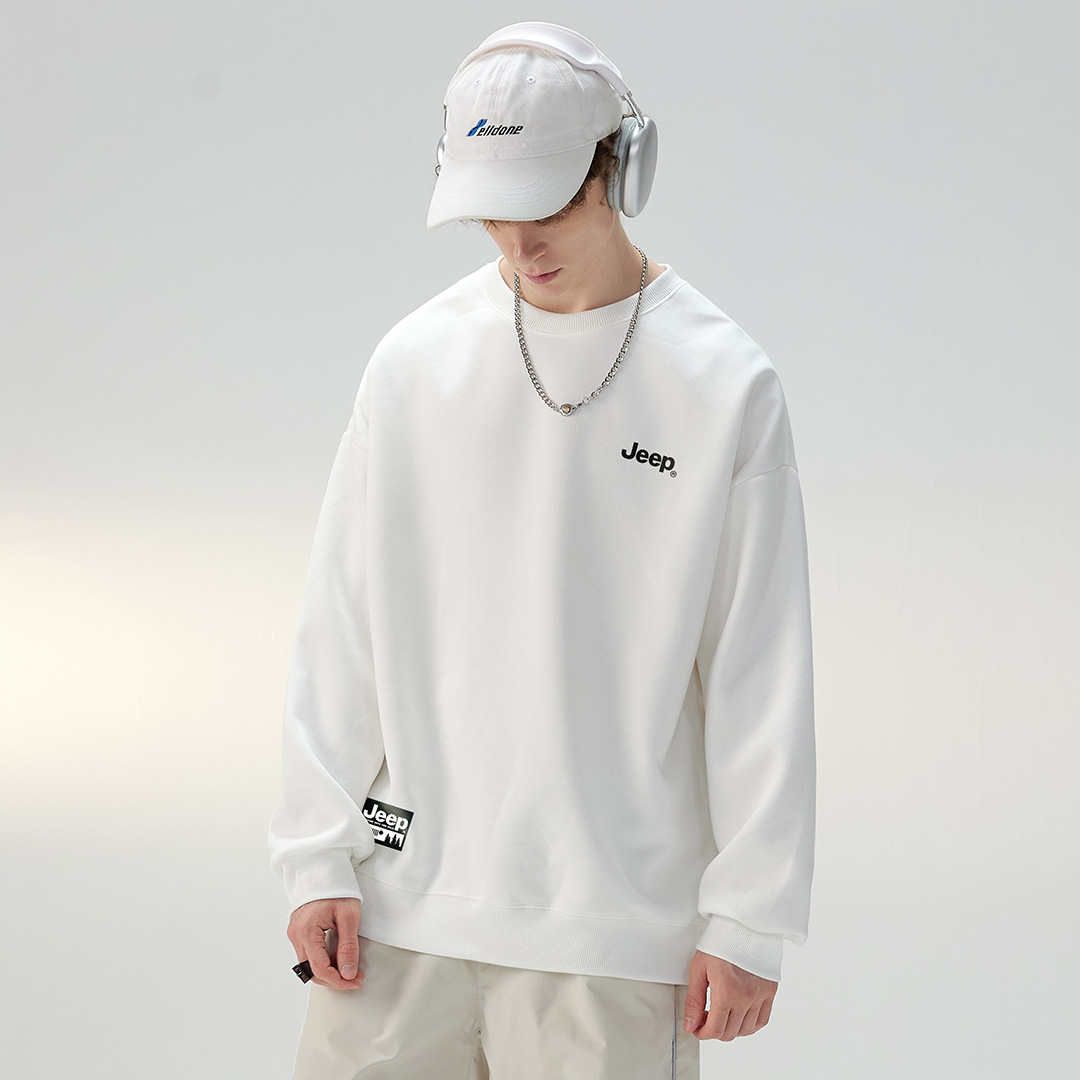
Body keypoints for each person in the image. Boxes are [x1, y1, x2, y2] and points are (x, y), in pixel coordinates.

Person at [268, 21, 815, 1080]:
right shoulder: (415, 364)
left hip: (610, 934)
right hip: (398, 911)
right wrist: (314, 854)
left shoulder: (723, 385)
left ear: (622, 168)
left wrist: (750, 919)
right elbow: (342, 620)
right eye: (492, 214)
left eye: (548, 207)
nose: (519, 248)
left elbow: (759, 667)